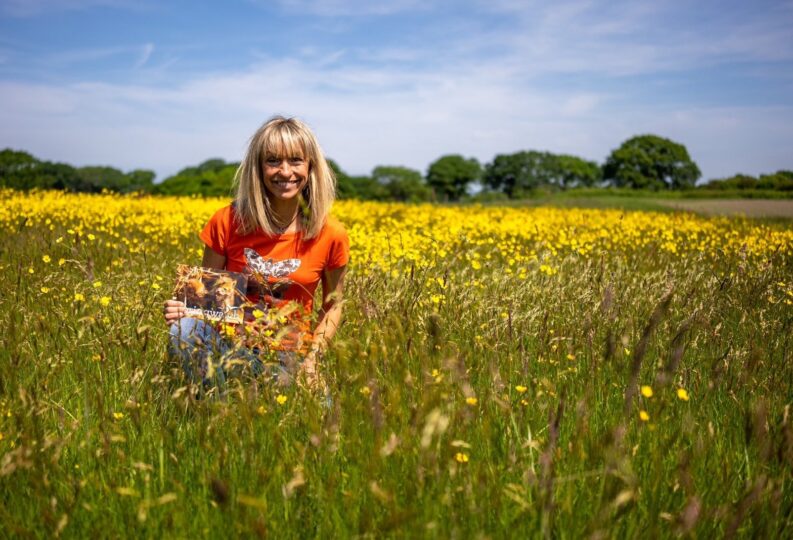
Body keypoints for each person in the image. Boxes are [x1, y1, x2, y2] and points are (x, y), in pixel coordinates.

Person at [164, 116, 349, 392]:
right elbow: (207, 302)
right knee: (184, 330)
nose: (285, 172)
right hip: (229, 348)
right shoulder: (227, 221)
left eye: (296, 160)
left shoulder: (331, 233)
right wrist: (185, 310)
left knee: (321, 422)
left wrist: (312, 361)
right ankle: (217, 413)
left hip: (290, 357)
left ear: (310, 166)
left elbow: (333, 305)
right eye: (273, 161)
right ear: (259, 168)